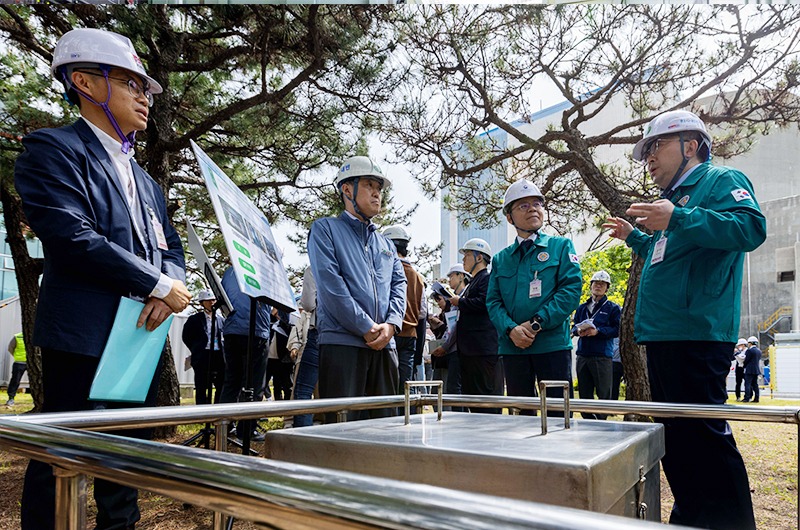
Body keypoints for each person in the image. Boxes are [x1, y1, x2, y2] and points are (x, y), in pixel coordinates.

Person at [14, 28, 191, 530]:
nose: (145, 97)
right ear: (85, 82)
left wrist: (168, 287)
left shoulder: (146, 180)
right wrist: (157, 285)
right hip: (83, 335)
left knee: (126, 460)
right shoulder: (52, 149)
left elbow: (171, 248)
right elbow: (71, 234)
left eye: (147, 88)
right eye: (132, 83)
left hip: (137, 337)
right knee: (61, 457)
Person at [603, 109, 765, 530]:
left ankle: (730, 522)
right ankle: (693, 514)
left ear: (690, 146)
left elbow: (750, 228)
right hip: (664, 335)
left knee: (704, 439)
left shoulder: (720, 182)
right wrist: (634, 236)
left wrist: (679, 218)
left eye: (656, 147)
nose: (649, 158)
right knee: (677, 440)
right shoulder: (671, 203)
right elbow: (667, 255)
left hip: (697, 334)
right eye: (647, 152)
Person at [308, 156, 406, 422]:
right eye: (369, 185)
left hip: (385, 346)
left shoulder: (385, 244)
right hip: (343, 344)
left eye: (379, 187)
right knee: (342, 431)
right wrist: (366, 326)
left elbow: (399, 285)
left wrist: (392, 324)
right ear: (347, 189)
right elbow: (331, 285)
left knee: (386, 428)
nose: (376, 192)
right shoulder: (325, 229)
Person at [486, 180, 582, 417]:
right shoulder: (501, 259)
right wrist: (511, 330)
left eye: (538, 203)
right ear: (509, 217)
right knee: (520, 420)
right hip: (513, 348)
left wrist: (536, 323)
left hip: (552, 347)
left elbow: (570, 290)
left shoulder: (560, 246)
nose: (533, 209)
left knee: (558, 417)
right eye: (524, 205)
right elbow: (493, 302)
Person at [450, 238, 503, 414]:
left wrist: (461, 302)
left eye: (467, 255)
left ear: (479, 257)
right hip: (470, 351)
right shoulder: (474, 281)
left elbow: (484, 303)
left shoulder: (487, 279)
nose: (464, 260)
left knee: (486, 399)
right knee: (472, 398)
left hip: (483, 350)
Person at [219, 265, 271, 440]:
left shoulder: (229, 272)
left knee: (231, 381)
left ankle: (224, 427)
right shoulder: (262, 269)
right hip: (255, 330)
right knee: (255, 383)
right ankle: (246, 430)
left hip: (231, 330)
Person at [572, 271, 621, 420]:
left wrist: (598, 331)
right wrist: (577, 331)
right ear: (591, 286)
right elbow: (574, 326)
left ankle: (602, 421)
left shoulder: (612, 308)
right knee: (584, 392)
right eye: (595, 283)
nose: (598, 286)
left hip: (601, 356)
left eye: (602, 284)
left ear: (607, 288)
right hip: (583, 355)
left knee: (604, 392)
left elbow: (616, 329)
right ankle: (588, 420)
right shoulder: (582, 307)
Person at [383, 225, 424, 395]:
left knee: (386, 385)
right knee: (404, 387)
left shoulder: (386, 271)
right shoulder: (417, 277)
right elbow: (422, 313)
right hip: (410, 336)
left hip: (388, 333)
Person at [181, 289, 225, 405]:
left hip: (219, 355)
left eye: (213, 300)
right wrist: (196, 348)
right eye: (208, 300)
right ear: (201, 303)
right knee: (201, 385)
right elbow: (186, 336)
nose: (212, 303)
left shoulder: (221, 320)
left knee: (221, 383)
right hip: (202, 355)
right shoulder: (194, 319)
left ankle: (217, 408)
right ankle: (202, 410)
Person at [289, 266, 319, 427]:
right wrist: (294, 346)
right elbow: (296, 331)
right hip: (308, 347)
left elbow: (308, 303)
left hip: (318, 337)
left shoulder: (314, 268)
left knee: (304, 392)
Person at [6, 332, 27, 406]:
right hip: (19, 362)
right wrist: (16, 356)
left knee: (38, 381)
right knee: (15, 381)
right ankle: (11, 398)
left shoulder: (37, 335)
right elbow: (10, 348)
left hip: (32, 363)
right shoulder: (17, 337)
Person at [742, 336, 762, 403]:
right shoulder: (759, 351)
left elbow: (746, 360)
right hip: (756, 370)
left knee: (747, 384)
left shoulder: (749, 351)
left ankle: (747, 398)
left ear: (750, 343)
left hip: (749, 370)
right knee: (755, 385)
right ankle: (756, 398)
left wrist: (743, 365)